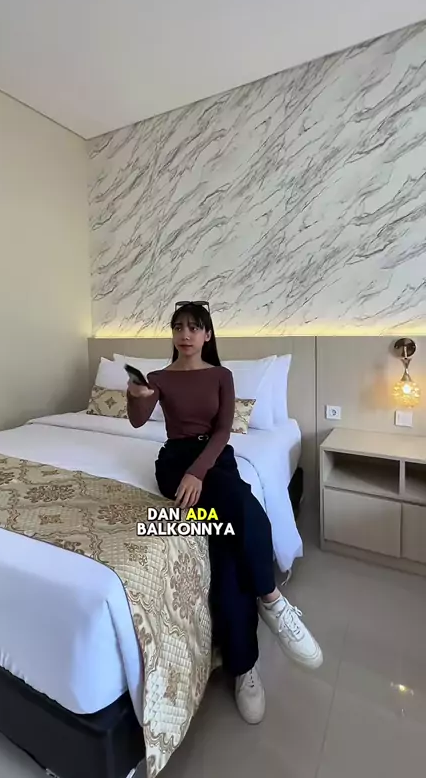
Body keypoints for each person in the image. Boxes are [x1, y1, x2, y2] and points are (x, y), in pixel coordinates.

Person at [126, 302, 322, 724]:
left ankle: (244, 662)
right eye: (178, 327)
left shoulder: (221, 376)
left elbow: (221, 431)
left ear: (208, 335)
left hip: (214, 460)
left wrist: (199, 472)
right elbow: (139, 421)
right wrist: (135, 396)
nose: (185, 334)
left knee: (230, 540)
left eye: (194, 327)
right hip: (174, 463)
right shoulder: (159, 378)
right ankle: (270, 606)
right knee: (243, 517)